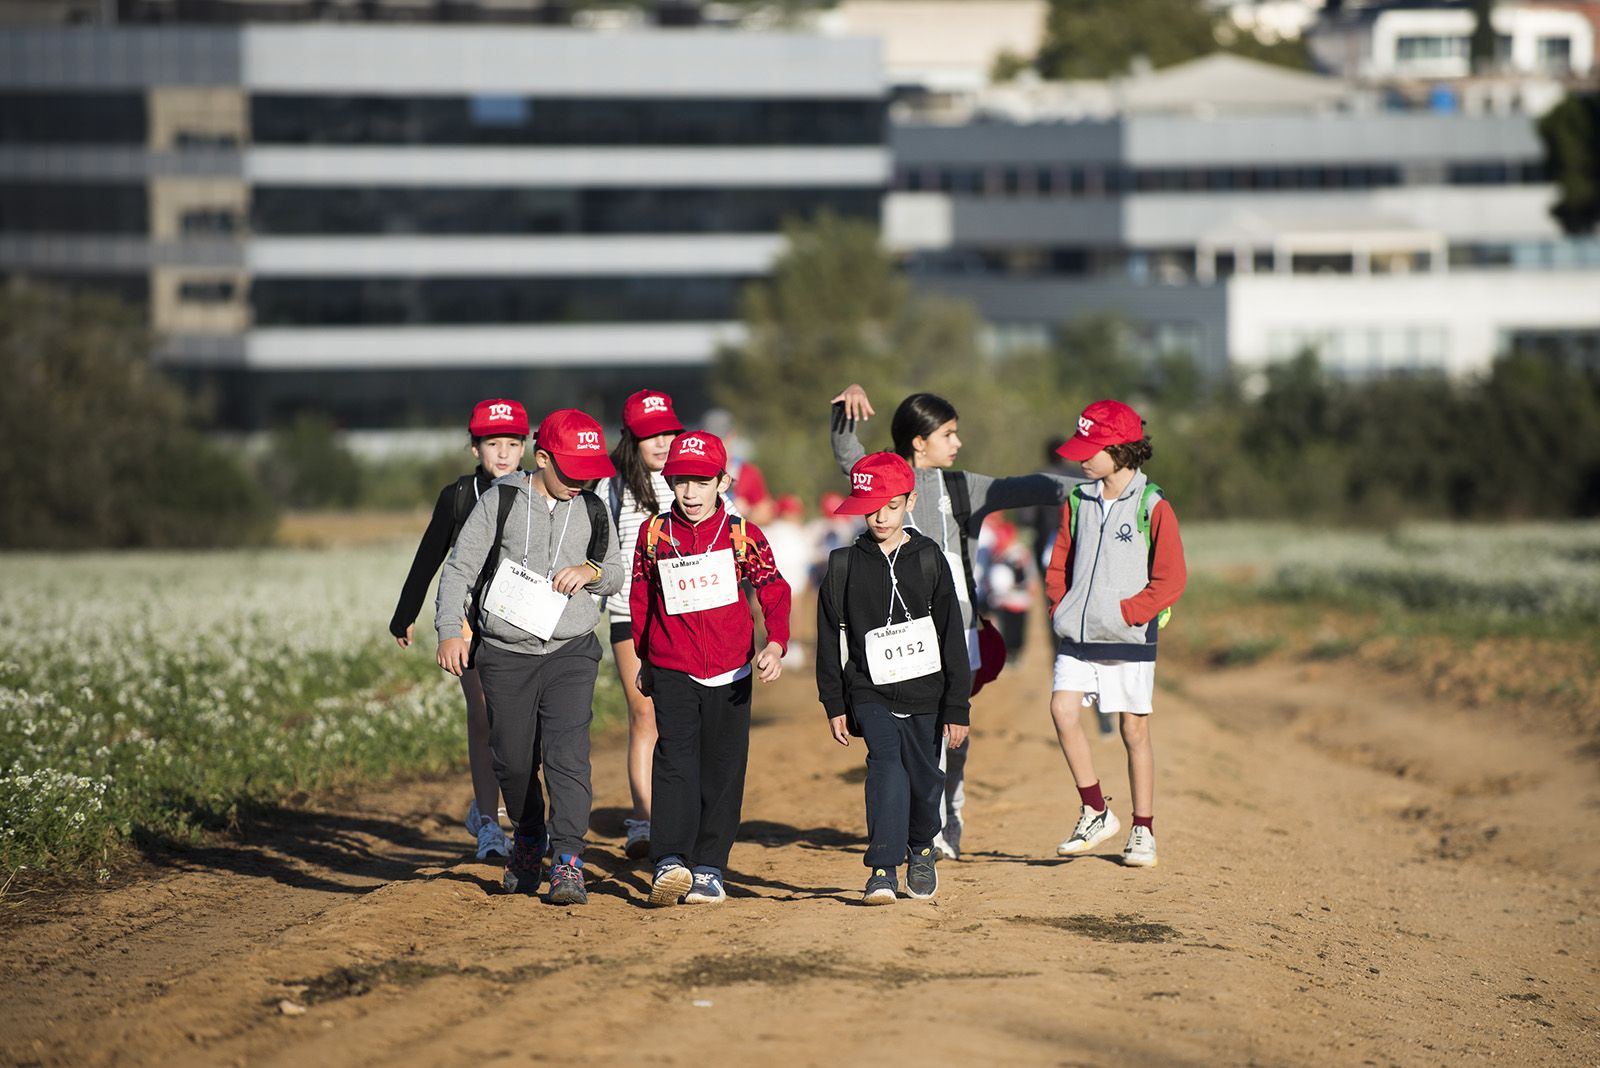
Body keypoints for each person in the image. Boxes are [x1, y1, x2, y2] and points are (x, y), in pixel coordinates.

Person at [830, 384, 1081, 860]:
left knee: (948, 725)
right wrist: (845, 412)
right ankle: (914, 819)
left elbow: (1027, 486)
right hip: (893, 635)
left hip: (957, 630)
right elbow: (848, 455)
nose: (958, 442)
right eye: (949, 434)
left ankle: (950, 811)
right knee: (904, 730)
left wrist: (1105, 485)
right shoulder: (884, 480)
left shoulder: (966, 487)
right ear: (919, 441)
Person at [434, 409, 625, 905]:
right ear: (542, 459)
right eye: (572, 471)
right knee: (513, 761)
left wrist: (589, 573)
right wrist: (449, 631)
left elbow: (615, 573)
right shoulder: (499, 501)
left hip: (571, 651)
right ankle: (528, 834)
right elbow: (459, 569)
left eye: (589, 473)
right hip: (504, 653)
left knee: (567, 756)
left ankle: (567, 861)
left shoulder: (594, 508)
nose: (581, 482)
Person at [630, 431, 791, 906]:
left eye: (701, 482)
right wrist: (645, 656)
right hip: (672, 665)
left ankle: (708, 866)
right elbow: (644, 599)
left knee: (722, 768)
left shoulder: (743, 535)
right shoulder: (654, 535)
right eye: (680, 481)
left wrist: (776, 643)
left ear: (723, 481)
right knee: (676, 760)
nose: (690, 493)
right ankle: (670, 860)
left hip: (732, 671)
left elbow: (773, 590)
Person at [817, 453, 971, 905]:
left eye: (890, 505)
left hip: (928, 693)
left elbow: (951, 637)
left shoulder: (929, 559)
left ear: (910, 501)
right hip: (869, 691)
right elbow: (829, 637)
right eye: (870, 506)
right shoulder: (843, 564)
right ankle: (882, 868)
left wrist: (958, 706)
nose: (880, 516)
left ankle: (922, 845)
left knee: (925, 780)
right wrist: (835, 703)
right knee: (886, 765)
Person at [1044, 400, 1186, 869]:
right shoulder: (1078, 501)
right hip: (1077, 634)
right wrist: (1059, 605)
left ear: (1122, 449)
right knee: (1062, 710)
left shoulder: (1153, 505)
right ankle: (1096, 810)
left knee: (1133, 730)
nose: (1081, 457)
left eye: (1092, 448)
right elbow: (1060, 560)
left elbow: (1171, 578)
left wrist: (1130, 614)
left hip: (1128, 637)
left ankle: (1142, 830)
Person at [388, 397, 526, 862]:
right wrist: (406, 610)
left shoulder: (538, 493)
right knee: (483, 715)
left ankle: (511, 810)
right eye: (493, 444)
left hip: (521, 620)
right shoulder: (459, 496)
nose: (503, 453)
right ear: (475, 449)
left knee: (518, 725)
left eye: (512, 443)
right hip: (468, 618)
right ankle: (490, 822)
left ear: (526, 448)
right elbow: (430, 556)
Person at [594, 389, 683, 861]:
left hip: (687, 612)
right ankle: (644, 820)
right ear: (631, 437)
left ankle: (682, 816)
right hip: (630, 616)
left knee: (684, 716)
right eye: (652, 435)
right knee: (644, 713)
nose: (663, 442)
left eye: (669, 431)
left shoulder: (691, 477)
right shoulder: (609, 487)